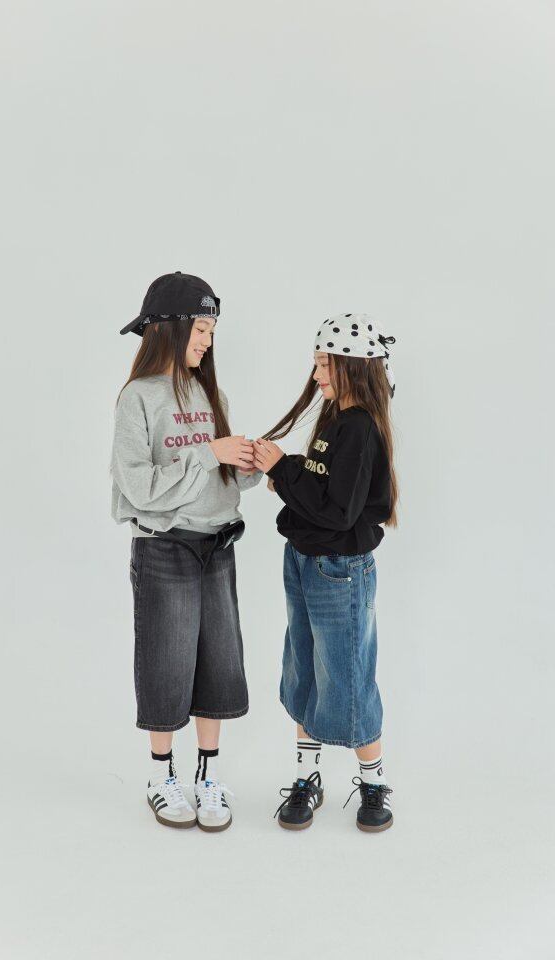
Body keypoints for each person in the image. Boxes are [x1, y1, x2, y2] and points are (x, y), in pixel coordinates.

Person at [111, 271, 262, 832]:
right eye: (201, 329)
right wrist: (208, 454)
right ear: (170, 329)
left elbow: (217, 481)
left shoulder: (209, 393)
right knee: (166, 662)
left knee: (218, 663)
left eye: (212, 330)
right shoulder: (137, 397)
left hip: (216, 546)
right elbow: (139, 487)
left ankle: (208, 776)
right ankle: (161, 776)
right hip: (165, 550)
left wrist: (247, 465)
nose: (208, 340)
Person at [252, 312, 398, 833]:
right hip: (304, 560)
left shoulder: (359, 428)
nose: (316, 375)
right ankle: (306, 777)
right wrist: (285, 474)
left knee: (348, 673)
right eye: (316, 364)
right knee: (305, 667)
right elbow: (323, 491)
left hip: (339, 571)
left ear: (351, 365)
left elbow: (337, 512)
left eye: (323, 364)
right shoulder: (336, 420)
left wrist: (280, 468)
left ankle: (374, 782)